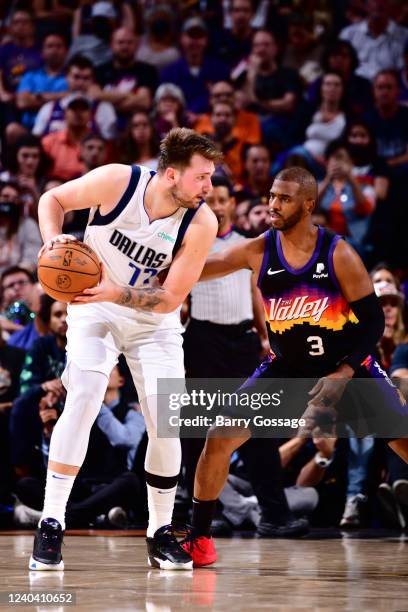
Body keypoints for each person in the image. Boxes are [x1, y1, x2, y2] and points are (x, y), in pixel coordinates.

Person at [182, 166, 408, 567]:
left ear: (307, 204)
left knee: (402, 441)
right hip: (285, 369)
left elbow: (372, 321)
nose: (272, 204)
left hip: (344, 369)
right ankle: (198, 538)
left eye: (283, 198)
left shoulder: (337, 252)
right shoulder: (259, 249)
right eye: (271, 195)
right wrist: (155, 268)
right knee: (217, 437)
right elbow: (203, 267)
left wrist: (343, 372)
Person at [29, 127, 220, 572]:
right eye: (202, 177)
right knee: (85, 394)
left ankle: (159, 531)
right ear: (171, 174)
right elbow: (51, 201)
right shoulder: (119, 181)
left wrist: (117, 292)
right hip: (93, 308)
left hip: (151, 318)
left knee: (167, 422)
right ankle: (51, 522)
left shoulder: (202, 221)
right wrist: (52, 239)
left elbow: (171, 298)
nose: (209, 187)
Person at [339, 0, 408, 81]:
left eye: (383, 1)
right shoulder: (348, 34)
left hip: (391, 88)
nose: (378, 4)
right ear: (366, 6)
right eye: (374, 1)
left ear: (390, 5)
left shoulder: (405, 35)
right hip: (355, 87)